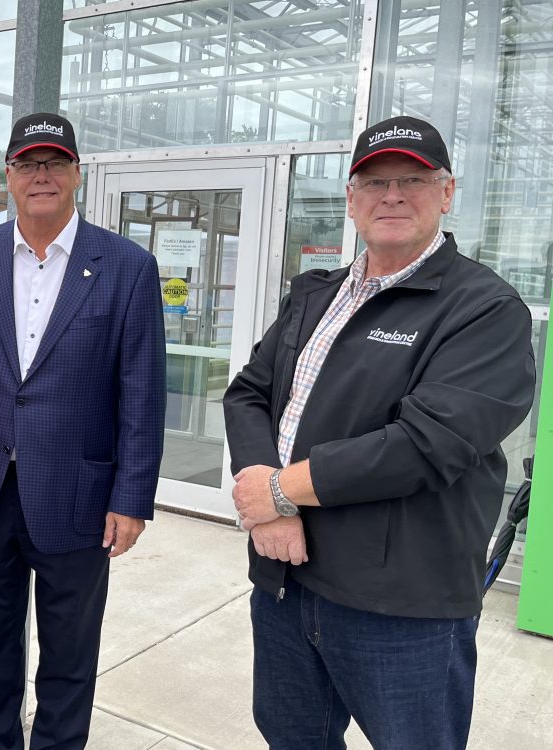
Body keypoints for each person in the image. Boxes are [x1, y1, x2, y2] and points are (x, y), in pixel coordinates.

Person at [223, 115, 536, 749]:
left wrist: (281, 491)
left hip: (402, 607)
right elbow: (249, 393)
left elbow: (427, 444)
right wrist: (268, 504)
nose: (391, 195)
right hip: (286, 580)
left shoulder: (484, 309)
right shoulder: (315, 294)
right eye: (373, 181)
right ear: (351, 197)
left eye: (412, 180)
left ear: (446, 193)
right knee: (292, 737)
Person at [0, 113, 165, 748]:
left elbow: (142, 393)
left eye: (55, 164)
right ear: (8, 176)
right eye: (28, 165)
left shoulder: (126, 266)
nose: (42, 176)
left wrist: (131, 498)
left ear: (76, 175)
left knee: (70, 649)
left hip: (80, 496)